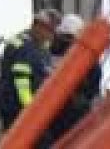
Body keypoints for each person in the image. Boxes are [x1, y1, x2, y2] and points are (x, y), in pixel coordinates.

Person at [43, 15, 101, 143]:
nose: (66, 42)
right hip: (59, 114)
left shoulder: (88, 59)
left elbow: (91, 90)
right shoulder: (48, 52)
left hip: (66, 114)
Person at [0, 10, 57, 129]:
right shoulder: (24, 46)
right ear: (38, 26)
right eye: (49, 31)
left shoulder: (38, 47)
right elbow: (21, 80)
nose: (50, 36)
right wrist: (30, 109)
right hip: (17, 109)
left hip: (20, 107)